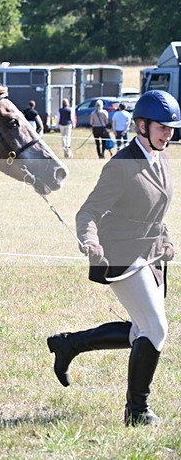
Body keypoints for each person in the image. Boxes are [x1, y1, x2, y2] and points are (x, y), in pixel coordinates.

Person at [47, 90, 181, 426]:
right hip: (121, 254)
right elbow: (88, 212)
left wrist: (166, 240)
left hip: (150, 256)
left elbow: (156, 211)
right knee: (155, 329)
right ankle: (136, 412)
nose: (169, 133)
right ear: (141, 125)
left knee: (142, 332)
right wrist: (90, 240)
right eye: (162, 127)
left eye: (171, 128)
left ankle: (69, 344)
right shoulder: (121, 164)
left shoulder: (162, 158)